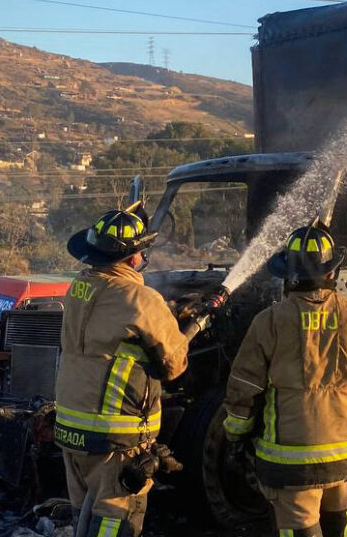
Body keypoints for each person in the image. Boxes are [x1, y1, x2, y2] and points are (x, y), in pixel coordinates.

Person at [223, 225, 347, 537]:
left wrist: (235, 438)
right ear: (331, 272)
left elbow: (243, 390)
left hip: (289, 463)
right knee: (340, 524)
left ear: (288, 275)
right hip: (343, 456)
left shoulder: (268, 322)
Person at [56, 202, 210, 537]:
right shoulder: (140, 298)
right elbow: (173, 366)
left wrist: (166, 312)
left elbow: (111, 326)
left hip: (72, 426)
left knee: (84, 515)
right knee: (115, 518)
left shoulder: (78, 287)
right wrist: (191, 326)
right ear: (132, 257)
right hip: (116, 436)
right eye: (141, 250)